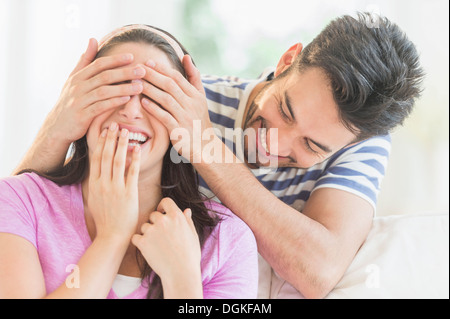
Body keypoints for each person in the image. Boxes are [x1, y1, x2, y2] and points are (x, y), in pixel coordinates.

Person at [12, 13, 424, 299]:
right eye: (284, 109)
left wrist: (205, 147)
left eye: (312, 146)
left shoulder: (357, 141)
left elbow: (317, 273)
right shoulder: (178, 100)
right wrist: (57, 129)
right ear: (285, 62)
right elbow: (20, 209)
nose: (277, 145)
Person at [0, 25, 258, 299]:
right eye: (116, 88)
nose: (131, 111)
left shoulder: (227, 241)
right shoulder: (18, 200)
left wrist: (182, 282)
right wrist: (112, 238)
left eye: (154, 96)